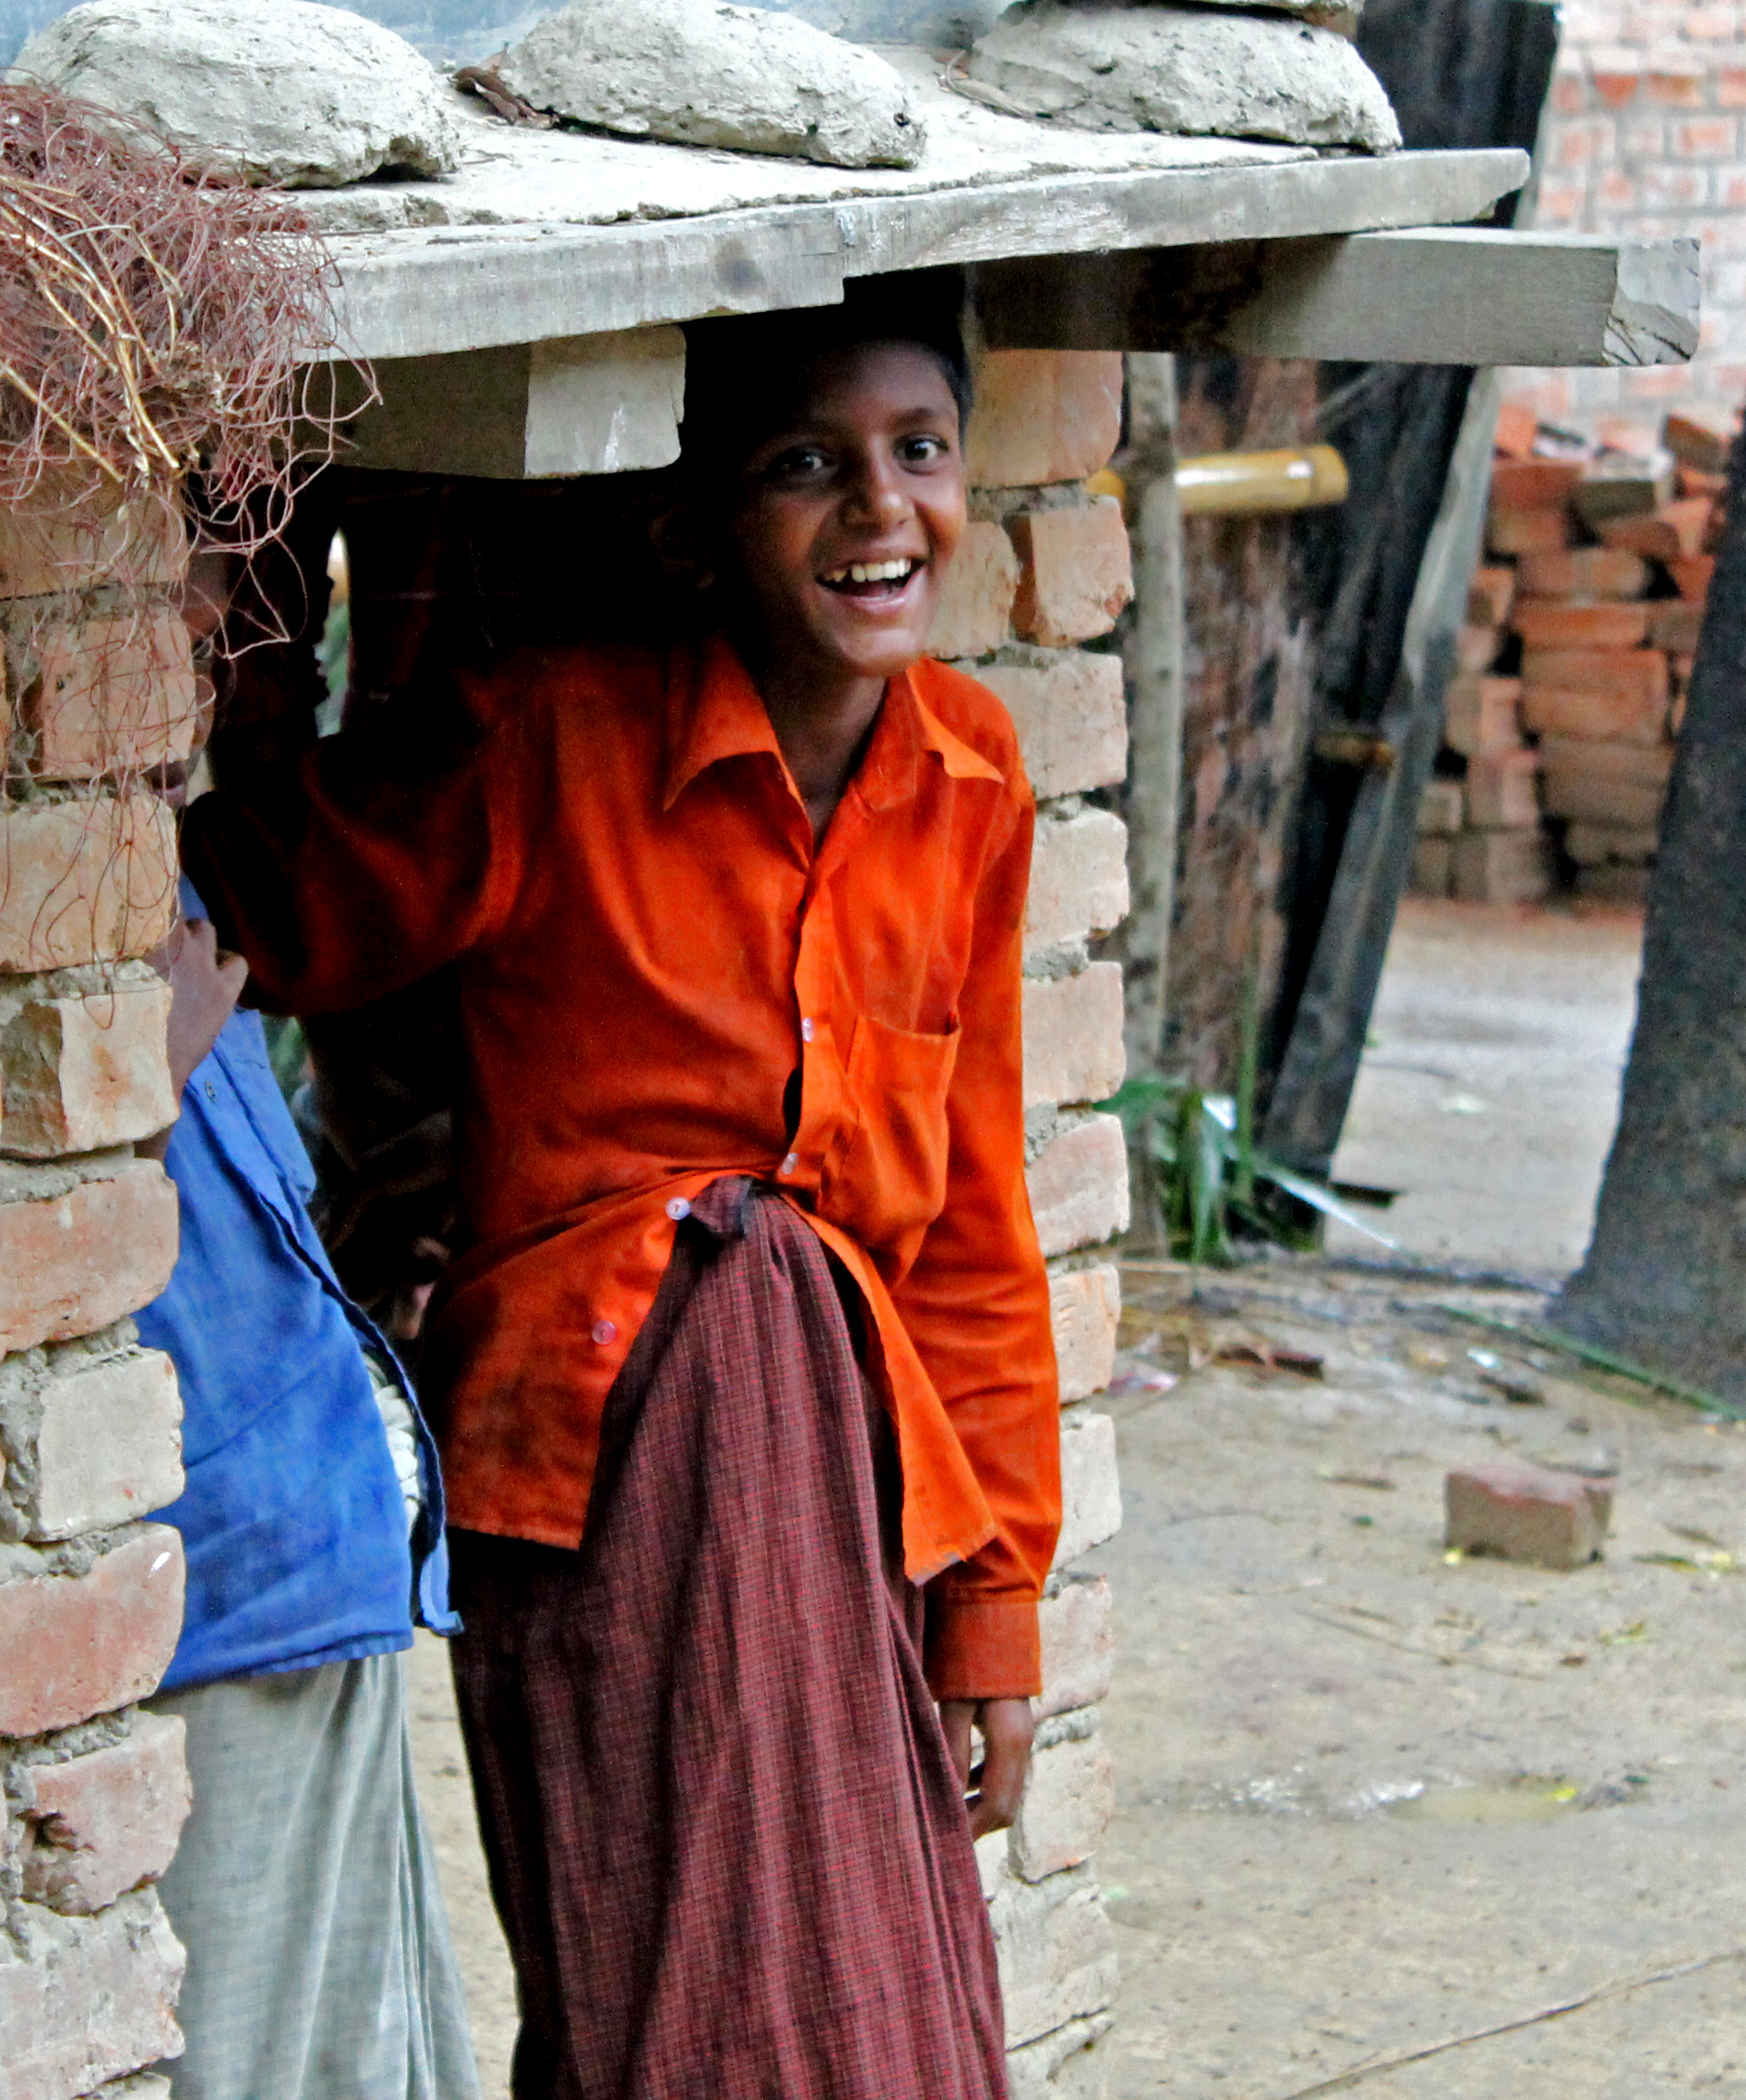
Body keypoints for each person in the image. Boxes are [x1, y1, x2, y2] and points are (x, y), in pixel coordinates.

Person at [183, 283, 1058, 2100]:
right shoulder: (550, 741)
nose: (880, 509)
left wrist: (993, 1611)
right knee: (661, 1995)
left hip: (855, 1492)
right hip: (597, 1467)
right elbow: (271, 896)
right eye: (805, 465)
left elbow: (975, 1231)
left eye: (919, 451)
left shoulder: (973, 779)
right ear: (691, 528)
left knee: (875, 1995)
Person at [138, 809, 480, 2091]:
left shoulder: (168, 888)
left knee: (357, 2055)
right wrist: (132, 1087)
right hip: (213, 1603)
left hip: (317, 1560)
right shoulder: (13, 913)